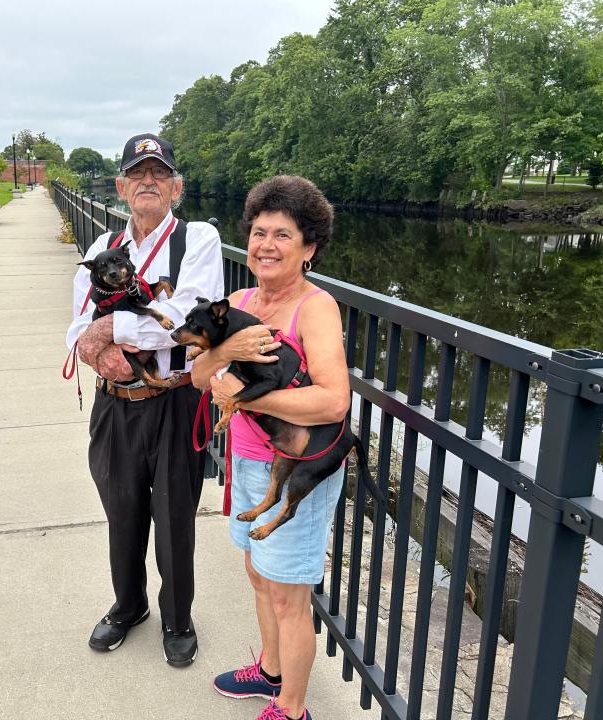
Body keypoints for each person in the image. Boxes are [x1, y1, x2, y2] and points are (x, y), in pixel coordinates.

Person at [191, 175, 348, 720]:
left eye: (283, 234)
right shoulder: (238, 301)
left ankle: (293, 708)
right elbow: (198, 375)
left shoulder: (316, 308)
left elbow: (332, 404)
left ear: (309, 249)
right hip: (247, 464)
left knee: (289, 597)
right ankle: (270, 673)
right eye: (259, 231)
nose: (265, 245)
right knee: (259, 575)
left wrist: (252, 399)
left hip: (297, 468)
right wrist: (221, 358)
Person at [65, 133, 224, 666]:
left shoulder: (197, 239)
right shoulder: (99, 249)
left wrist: (109, 324)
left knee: (175, 513)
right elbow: (76, 327)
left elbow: (187, 318)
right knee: (122, 509)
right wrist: (92, 347)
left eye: (159, 174)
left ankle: (178, 617)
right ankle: (128, 605)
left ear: (176, 186)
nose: (148, 182)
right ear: (121, 186)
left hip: (175, 400)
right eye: (137, 173)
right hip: (114, 400)